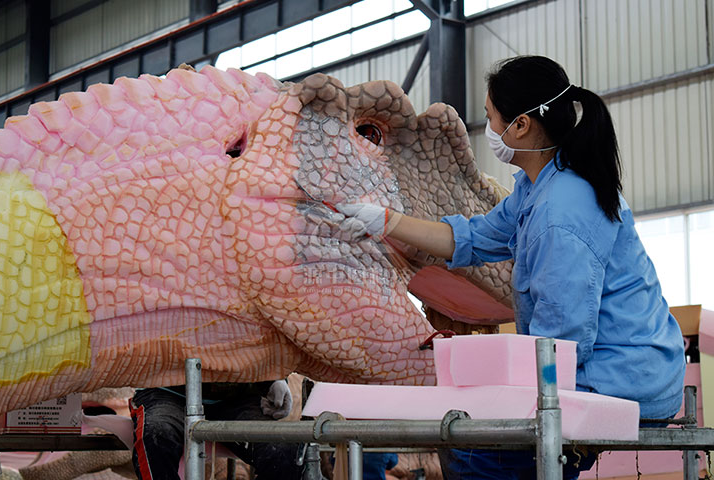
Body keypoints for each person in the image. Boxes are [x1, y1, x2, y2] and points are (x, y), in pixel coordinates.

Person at [335, 55, 686, 479]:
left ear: (520, 125)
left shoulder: (561, 211)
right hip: (599, 367)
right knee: (472, 436)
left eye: (490, 118)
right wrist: (387, 221)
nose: (489, 130)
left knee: (478, 455)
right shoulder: (538, 187)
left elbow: (562, 341)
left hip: (621, 379)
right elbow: (471, 238)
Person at [130, 379, 303, 480]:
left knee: (284, 450)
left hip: (237, 394)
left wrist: (273, 379)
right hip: (167, 389)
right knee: (157, 435)